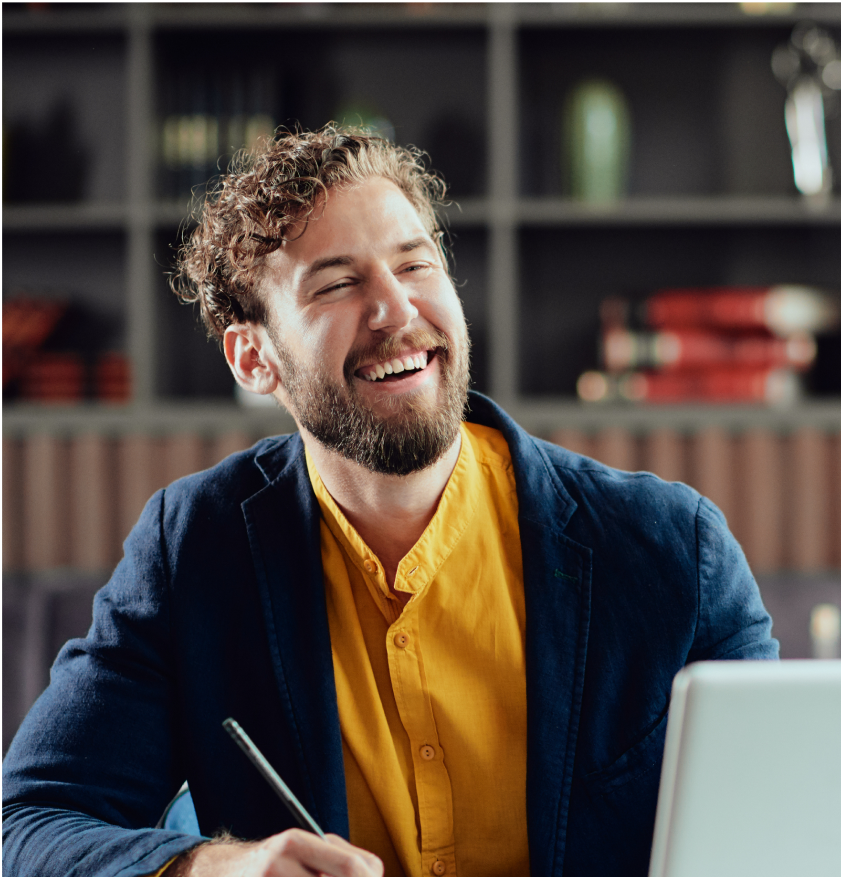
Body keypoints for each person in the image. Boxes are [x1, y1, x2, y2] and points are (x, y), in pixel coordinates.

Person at [2, 126, 778, 877]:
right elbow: (30, 821)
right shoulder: (193, 549)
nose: (396, 311)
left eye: (415, 265)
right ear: (253, 355)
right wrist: (211, 866)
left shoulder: (675, 548)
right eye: (338, 283)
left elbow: (783, 831)